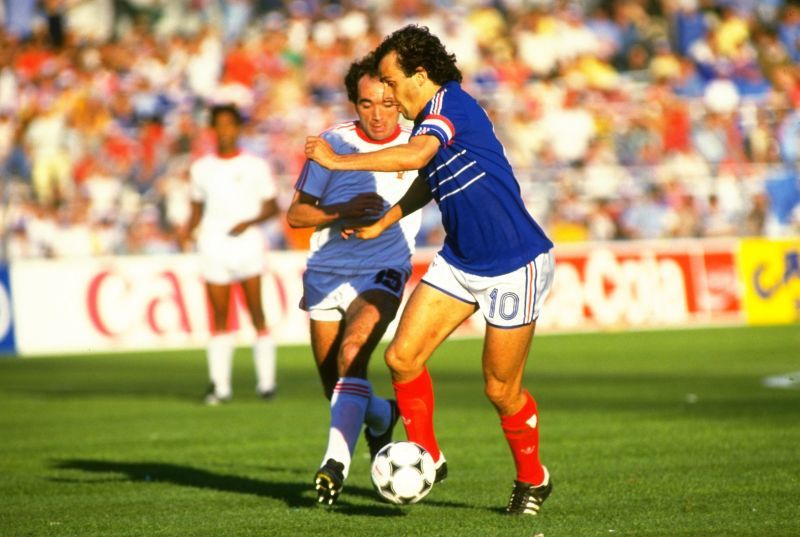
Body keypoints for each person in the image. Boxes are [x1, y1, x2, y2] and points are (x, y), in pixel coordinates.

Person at [305, 25, 555, 516]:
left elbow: (418, 155)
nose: (388, 93)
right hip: (461, 260)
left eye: (392, 82)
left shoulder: (448, 107)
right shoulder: (430, 119)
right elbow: (429, 176)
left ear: (420, 74)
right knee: (401, 359)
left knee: (500, 390)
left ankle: (533, 478)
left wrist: (338, 161)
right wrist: (387, 220)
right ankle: (428, 456)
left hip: (513, 263)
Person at [287, 54, 422, 505]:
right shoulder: (332, 143)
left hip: (383, 268)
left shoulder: (418, 142)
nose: (378, 114)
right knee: (338, 386)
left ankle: (334, 466)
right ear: (354, 103)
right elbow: (296, 214)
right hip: (326, 271)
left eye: (386, 103)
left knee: (352, 353)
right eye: (367, 104)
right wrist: (341, 210)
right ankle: (382, 416)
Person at [179, 103, 280, 405]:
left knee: (256, 312)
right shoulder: (201, 168)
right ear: (212, 130)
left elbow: (272, 206)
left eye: (229, 125)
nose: (224, 131)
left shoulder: (255, 165)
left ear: (238, 129)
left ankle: (266, 383)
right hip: (213, 244)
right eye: (218, 125)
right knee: (220, 316)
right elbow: (196, 210)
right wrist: (186, 230)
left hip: (247, 242)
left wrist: (249, 221)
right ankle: (220, 387)